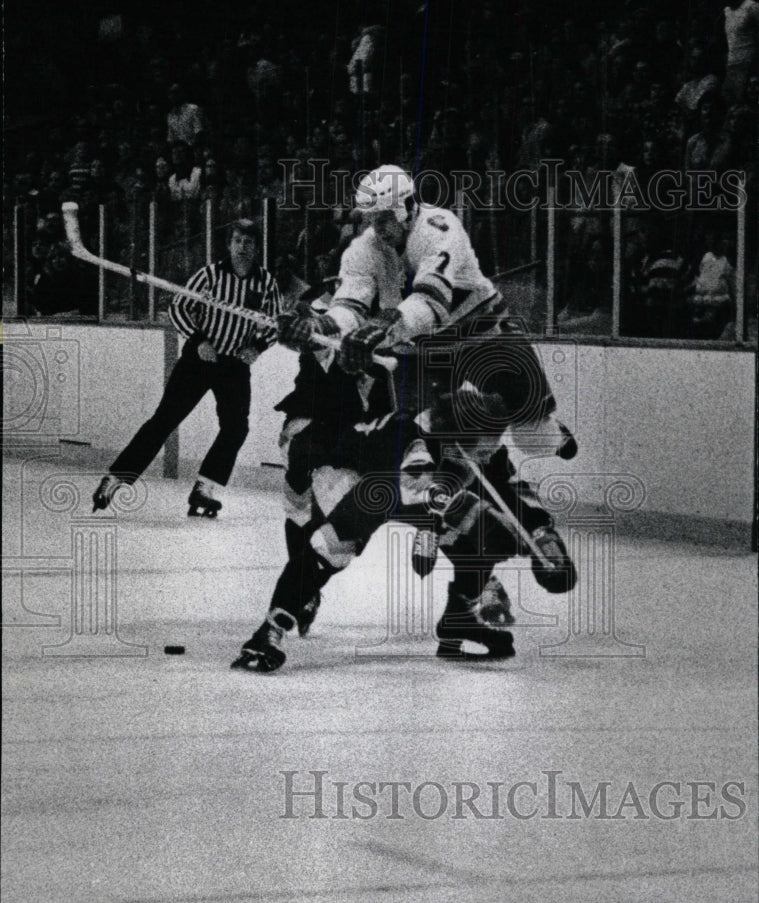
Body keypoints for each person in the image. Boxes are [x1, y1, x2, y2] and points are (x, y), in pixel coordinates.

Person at [231, 165, 576, 673]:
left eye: (385, 217)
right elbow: (345, 313)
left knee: (496, 475)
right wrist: (320, 327)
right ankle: (279, 620)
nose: (377, 227)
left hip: (466, 340)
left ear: (409, 207)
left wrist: (381, 330)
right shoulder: (361, 259)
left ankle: (471, 600)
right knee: (370, 516)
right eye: (369, 217)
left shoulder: (439, 230)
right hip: (382, 425)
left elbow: (429, 301)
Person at [92, 219, 282, 516]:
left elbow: (275, 323)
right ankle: (114, 478)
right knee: (165, 420)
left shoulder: (266, 283)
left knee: (236, 427)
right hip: (199, 360)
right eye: (237, 241)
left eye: (249, 242)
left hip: (233, 365)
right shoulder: (210, 275)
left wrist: (256, 348)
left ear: (257, 247)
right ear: (229, 244)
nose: (242, 247)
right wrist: (199, 341)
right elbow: (179, 307)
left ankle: (204, 488)